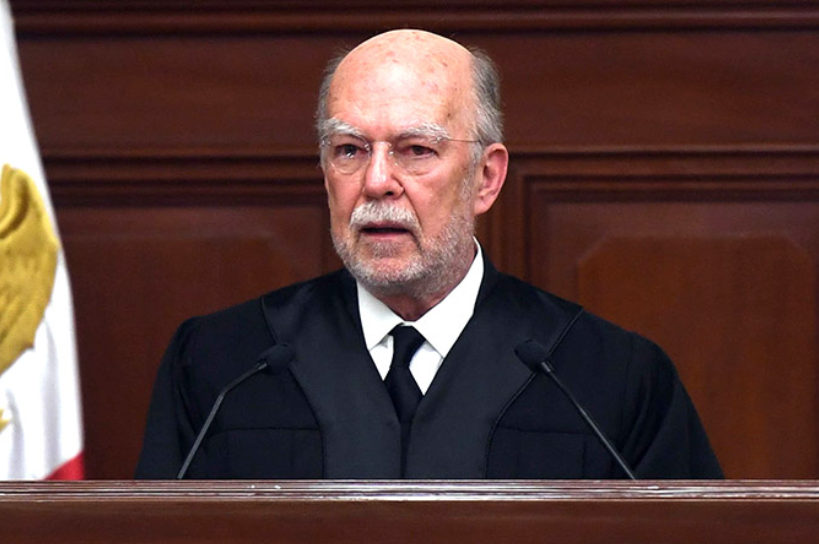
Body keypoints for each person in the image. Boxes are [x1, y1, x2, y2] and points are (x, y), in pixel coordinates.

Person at [135, 29, 722, 480]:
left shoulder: (607, 378)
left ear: (486, 179)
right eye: (349, 149)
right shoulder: (223, 366)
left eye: (416, 150)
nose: (377, 181)